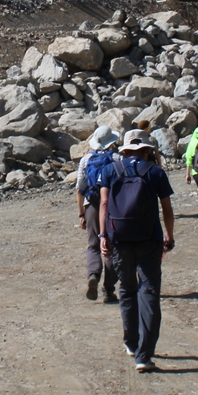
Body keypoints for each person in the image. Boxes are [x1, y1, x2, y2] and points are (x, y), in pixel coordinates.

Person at [98, 129, 175, 373]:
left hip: (119, 238)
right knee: (149, 291)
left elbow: (103, 203)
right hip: (149, 239)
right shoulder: (155, 172)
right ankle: (144, 355)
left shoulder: (110, 170)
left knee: (127, 289)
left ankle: (131, 343)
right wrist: (169, 235)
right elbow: (166, 208)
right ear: (145, 150)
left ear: (125, 150)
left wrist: (103, 236)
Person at [76, 126, 121, 302]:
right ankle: (108, 289)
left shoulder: (86, 160)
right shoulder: (118, 158)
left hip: (91, 205)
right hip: (113, 205)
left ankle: (93, 275)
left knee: (93, 244)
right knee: (112, 246)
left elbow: (80, 189)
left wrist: (81, 214)